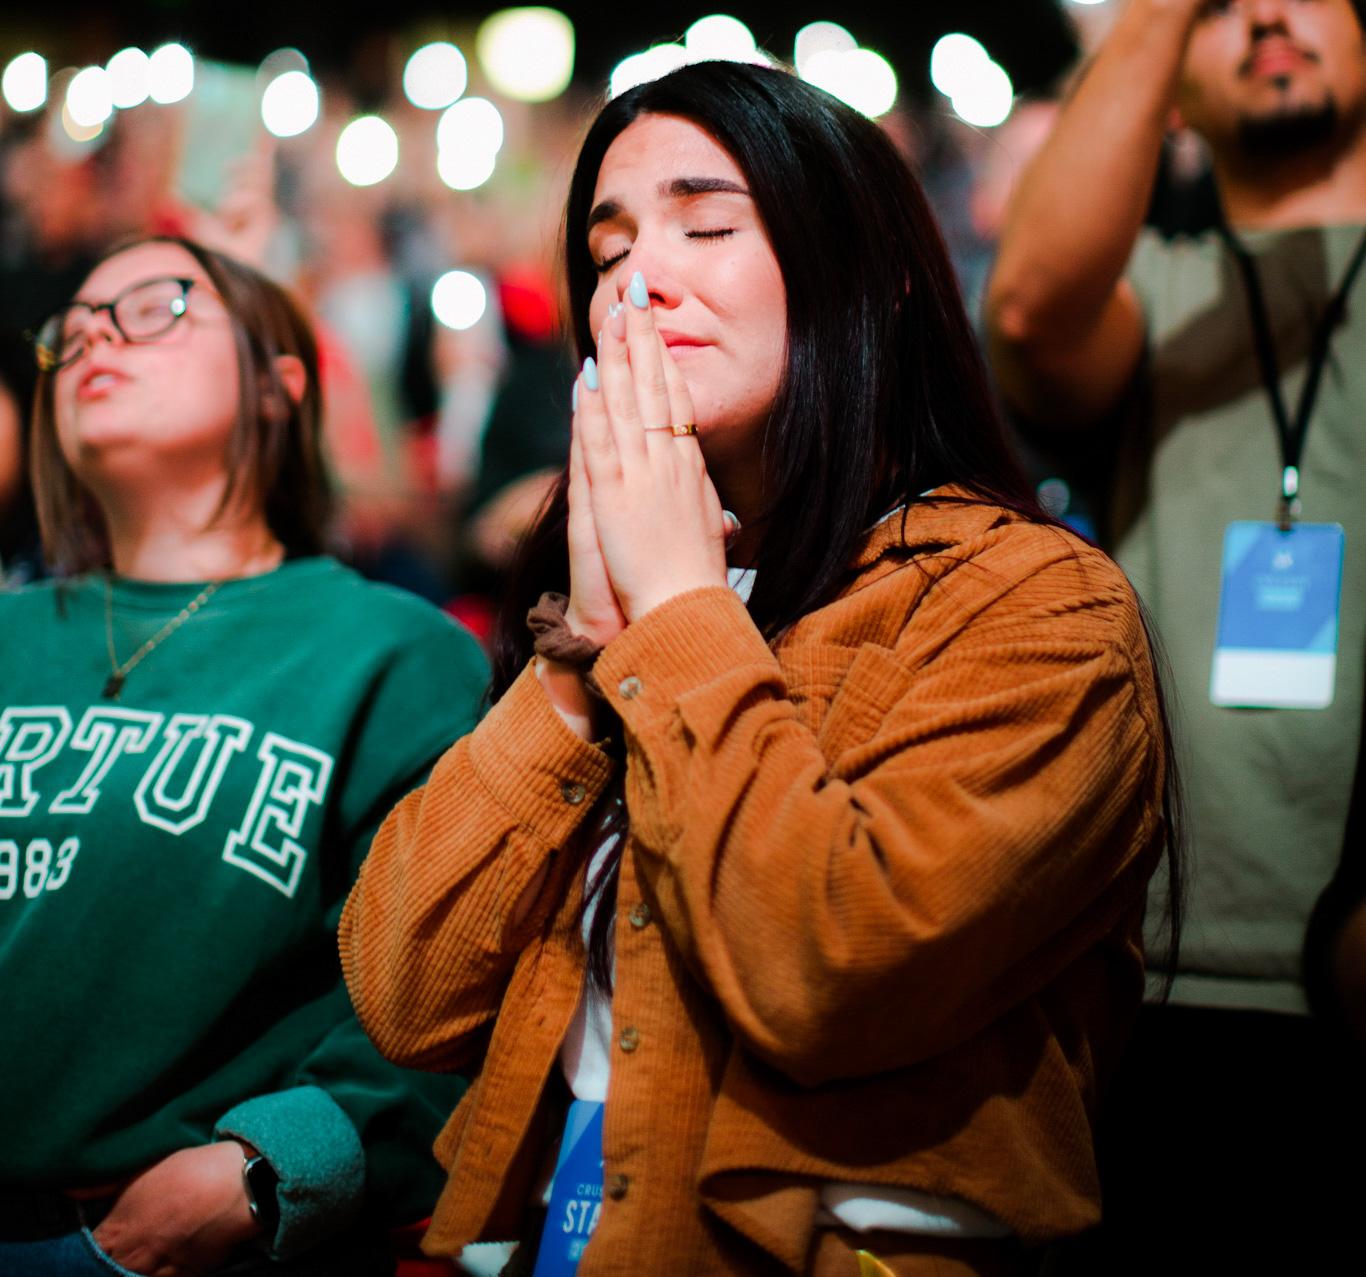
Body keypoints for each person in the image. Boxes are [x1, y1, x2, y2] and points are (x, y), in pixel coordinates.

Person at [340, 62, 1177, 1277]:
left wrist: (676, 610)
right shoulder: (614, 621)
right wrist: (579, 651)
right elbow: (404, 989)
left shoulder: (1032, 605)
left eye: (708, 223)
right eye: (608, 248)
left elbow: (824, 968)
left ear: (876, 276)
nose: (639, 279)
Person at [0, 236, 488, 1276]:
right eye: (73, 325)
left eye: (156, 305)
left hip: (153, 1241)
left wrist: (266, 1171)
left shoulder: (393, 651)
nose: (95, 334)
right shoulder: (10, 633)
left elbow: (458, 993)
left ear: (278, 386)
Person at [985, 0, 1366, 1269]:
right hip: (1158, 970)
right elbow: (1033, 309)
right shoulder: (1154, 288)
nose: (1261, 12)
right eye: (1216, 6)